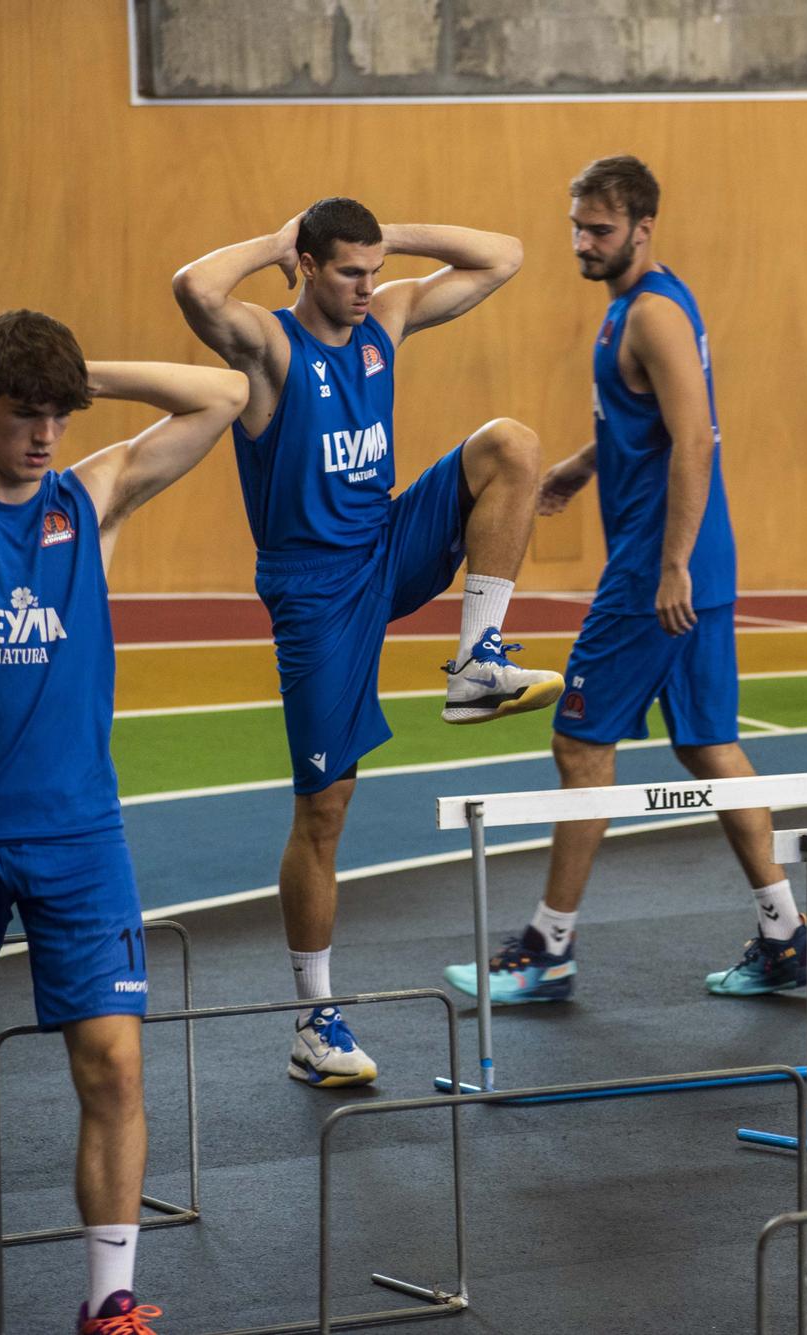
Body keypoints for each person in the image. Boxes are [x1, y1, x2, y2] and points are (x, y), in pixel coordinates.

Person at [174, 200, 561, 1088]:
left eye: (374, 270)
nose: (368, 288)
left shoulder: (384, 317)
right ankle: (314, 1020)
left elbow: (503, 251)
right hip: (313, 588)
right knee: (326, 807)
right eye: (348, 271)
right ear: (307, 266)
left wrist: (392, 236)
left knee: (512, 444)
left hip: (385, 542)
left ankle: (477, 661)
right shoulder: (271, 348)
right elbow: (194, 287)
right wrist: (276, 237)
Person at [446, 156, 807, 1004]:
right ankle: (786, 935)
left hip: (656, 573)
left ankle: (548, 948)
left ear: (643, 228)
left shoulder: (651, 315)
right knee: (708, 743)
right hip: (688, 566)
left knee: (580, 742)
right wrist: (579, 466)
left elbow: (697, 440)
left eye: (599, 229)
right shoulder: (632, 308)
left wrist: (672, 561)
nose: (582, 242)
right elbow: (645, 428)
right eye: (576, 226)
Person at [0, 309, 248, 1333]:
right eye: (21, 414)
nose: (43, 435)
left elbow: (222, 394)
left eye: (60, 413)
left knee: (116, 1062)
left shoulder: (85, 501)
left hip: (80, 834)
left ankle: (110, 1303)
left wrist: (82, 375)